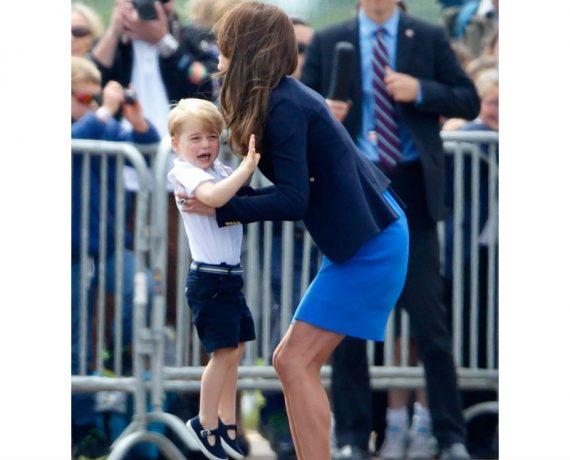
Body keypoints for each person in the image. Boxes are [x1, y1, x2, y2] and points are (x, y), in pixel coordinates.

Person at [176, 3, 409, 459]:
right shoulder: (279, 98)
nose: (217, 53)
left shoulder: (284, 105)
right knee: (291, 361)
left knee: (295, 361)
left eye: (224, 45)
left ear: (246, 49)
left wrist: (221, 207)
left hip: (372, 243)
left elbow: (293, 200)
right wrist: (222, 199)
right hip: (365, 237)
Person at [300, 0, 480, 458]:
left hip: (413, 194)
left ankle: (450, 436)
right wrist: (323, 111)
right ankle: (352, 438)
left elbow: (467, 98)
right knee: (345, 323)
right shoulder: (329, 40)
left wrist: (421, 90)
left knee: (430, 322)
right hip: (353, 190)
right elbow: (298, 109)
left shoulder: (428, 36)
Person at [71, 56, 160, 457]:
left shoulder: (100, 127)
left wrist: (138, 121)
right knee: (73, 343)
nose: (91, 106)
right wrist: (105, 110)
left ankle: (118, 354)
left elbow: (149, 148)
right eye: (83, 98)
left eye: (94, 98)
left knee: (143, 290)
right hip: (69, 253)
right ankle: (81, 427)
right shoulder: (86, 127)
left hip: (106, 246)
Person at [166, 98, 260, 460]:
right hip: (209, 278)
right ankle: (204, 424)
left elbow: (234, 203)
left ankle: (227, 422)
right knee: (222, 353)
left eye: (211, 137)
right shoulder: (186, 173)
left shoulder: (220, 169)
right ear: (176, 145)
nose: (206, 145)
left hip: (230, 276)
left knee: (236, 349)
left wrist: (238, 174)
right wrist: (247, 167)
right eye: (195, 138)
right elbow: (216, 197)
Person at [91, 0, 217, 137]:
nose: (154, 6)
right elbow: (91, 78)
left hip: (181, 140)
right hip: (126, 139)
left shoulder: (191, 37)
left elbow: (208, 81)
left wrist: (163, 42)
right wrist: (113, 32)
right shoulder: (118, 44)